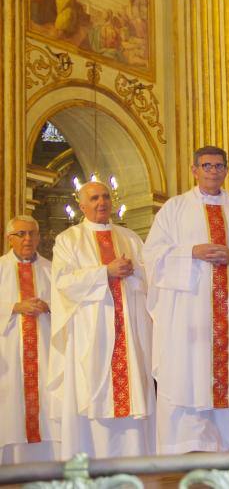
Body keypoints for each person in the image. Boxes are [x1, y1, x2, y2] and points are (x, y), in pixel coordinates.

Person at [143, 146, 229, 454]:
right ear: (194, 169)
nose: (213, 171)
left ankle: (225, 442)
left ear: (226, 170)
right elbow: (152, 255)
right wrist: (191, 252)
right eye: (206, 165)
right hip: (190, 315)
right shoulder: (174, 209)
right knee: (189, 372)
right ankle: (185, 443)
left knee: (228, 377)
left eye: (218, 166)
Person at [49, 181, 155, 459]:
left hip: (128, 330)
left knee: (131, 387)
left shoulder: (130, 238)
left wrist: (133, 274)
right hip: (91, 332)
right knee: (91, 389)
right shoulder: (69, 240)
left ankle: (134, 457)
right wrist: (104, 272)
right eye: (94, 198)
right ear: (82, 205)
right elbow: (62, 282)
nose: (101, 202)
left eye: (106, 196)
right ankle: (90, 457)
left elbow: (149, 279)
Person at [0, 216, 59, 463]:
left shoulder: (52, 268)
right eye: (21, 234)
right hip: (10, 352)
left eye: (32, 234)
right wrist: (15, 306)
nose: (28, 239)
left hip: (45, 350)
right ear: (9, 238)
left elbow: (68, 303)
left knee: (47, 405)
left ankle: (50, 463)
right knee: (11, 406)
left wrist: (49, 306)